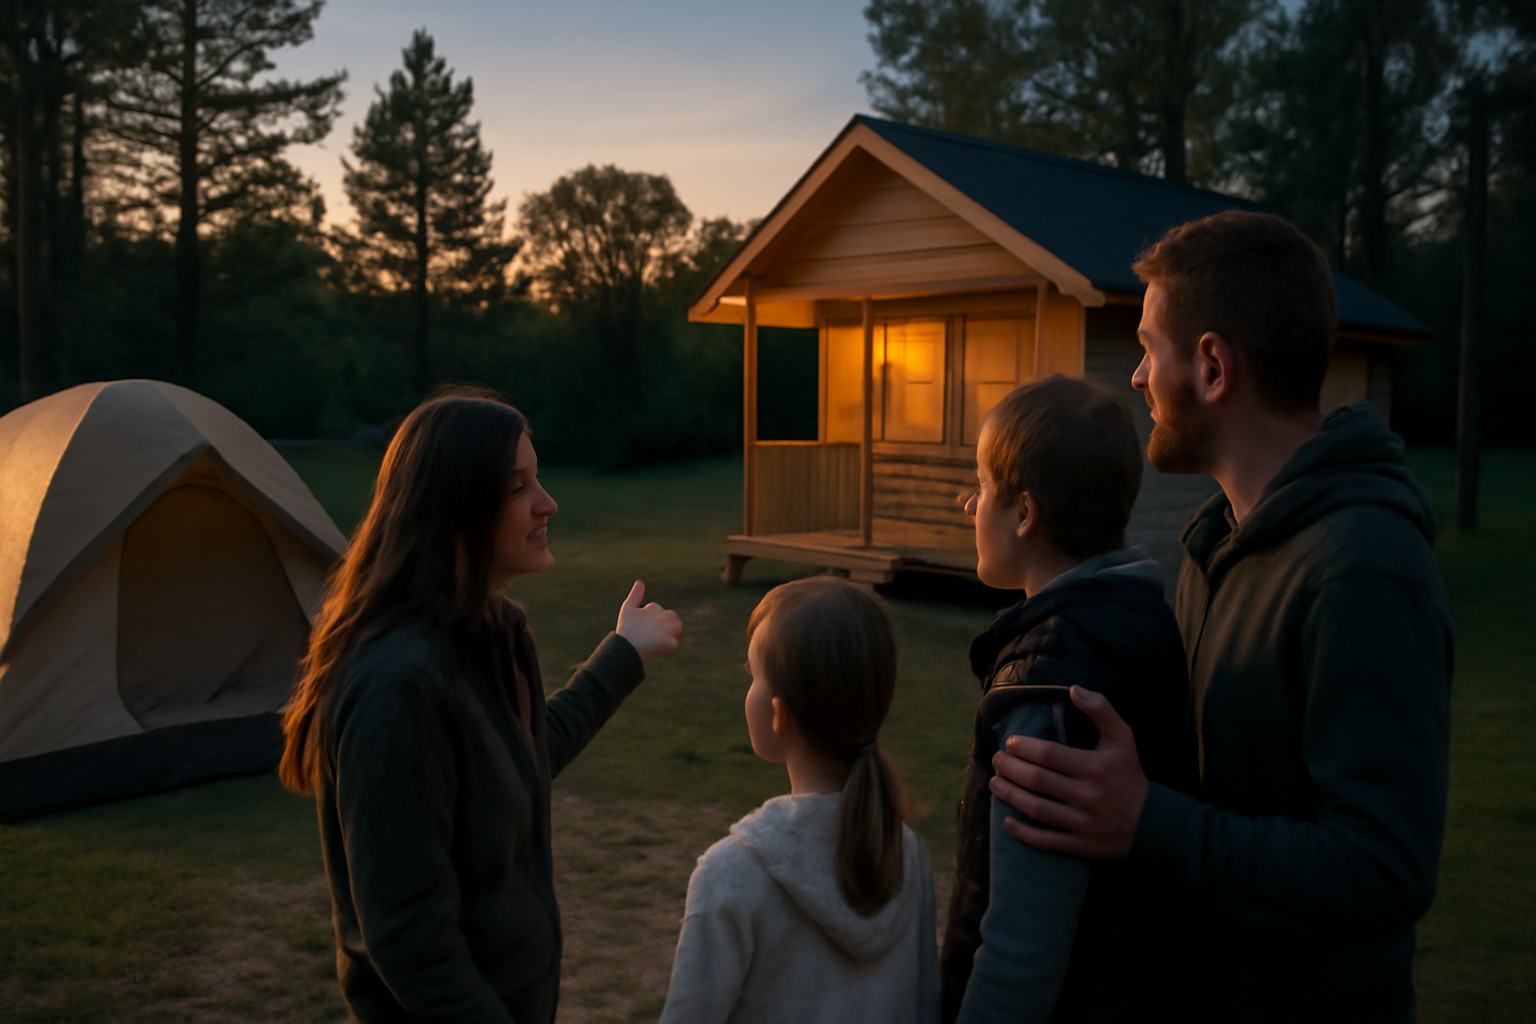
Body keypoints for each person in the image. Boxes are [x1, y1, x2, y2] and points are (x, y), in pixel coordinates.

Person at [989, 211, 1453, 1021]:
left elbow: (1384, 868)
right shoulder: (1214, 545)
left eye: (1146, 348)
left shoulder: (1363, 568)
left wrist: (1148, 819)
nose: (1134, 377)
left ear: (1210, 365)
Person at [277, 391, 683, 1024]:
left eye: (537, 478)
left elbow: (524, 754)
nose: (546, 502)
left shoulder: (493, 631)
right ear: (455, 508)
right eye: (517, 486)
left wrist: (624, 653)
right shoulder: (397, 687)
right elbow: (410, 937)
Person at [941, 375, 1197, 1024]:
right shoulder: (1144, 621)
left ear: (1024, 515)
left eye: (984, 487)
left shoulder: (1050, 684)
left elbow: (1023, 949)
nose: (970, 505)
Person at [659, 577, 939, 1024]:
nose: (745, 685)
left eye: (752, 674)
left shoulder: (731, 874)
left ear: (779, 713)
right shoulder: (907, 856)